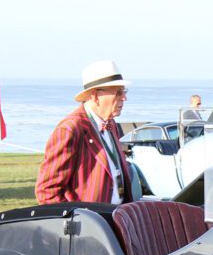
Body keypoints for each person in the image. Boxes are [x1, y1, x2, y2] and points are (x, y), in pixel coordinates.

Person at [35, 62, 138, 206]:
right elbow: (47, 191)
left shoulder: (111, 124)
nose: (124, 98)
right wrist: (78, 221)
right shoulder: (71, 129)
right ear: (95, 96)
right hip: (88, 224)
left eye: (124, 92)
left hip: (115, 217)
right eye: (118, 92)